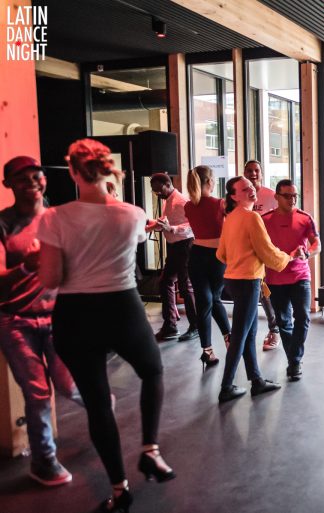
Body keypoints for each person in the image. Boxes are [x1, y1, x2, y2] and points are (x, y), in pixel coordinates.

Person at [37, 139, 174, 513]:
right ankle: (150, 449)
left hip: (76, 314)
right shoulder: (131, 213)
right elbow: (139, 239)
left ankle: (120, 490)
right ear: (108, 170)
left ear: (73, 171)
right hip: (123, 307)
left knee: (98, 403)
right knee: (152, 371)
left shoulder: (54, 218)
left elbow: (51, 278)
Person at [0, 156, 79, 486]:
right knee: (37, 393)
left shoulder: (59, 219)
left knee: (69, 386)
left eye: (37, 175)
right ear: (7, 184)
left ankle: (99, 401)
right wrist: (27, 265)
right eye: (22, 177)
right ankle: (44, 462)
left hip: (58, 316)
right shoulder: (3, 224)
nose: (32, 181)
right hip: (15, 321)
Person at [216, 176, 301, 403]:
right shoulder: (252, 217)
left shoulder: (231, 218)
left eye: (252, 187)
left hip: (234, 280)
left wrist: (240, 256)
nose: (251, 191)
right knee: (240, 336)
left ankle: (256, 381)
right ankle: (226, 386)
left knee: (249, 332)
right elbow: (267, 252)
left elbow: (221, 254)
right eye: (245, 189)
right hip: (248, 281)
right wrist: (289, 256)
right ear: (234, 196)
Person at [261, 179, 320, 381]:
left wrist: (308, 254)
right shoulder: (265, 219)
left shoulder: (305, 218)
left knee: (303, 317)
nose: (292, 199)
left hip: (300, 276)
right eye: (287, 195)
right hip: (275, 278)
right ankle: (294, 361)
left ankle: (294, 359)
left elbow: (317, 245)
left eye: (295, 195)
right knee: (284, 321)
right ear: (277, 197)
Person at [184, 165, 231, 371]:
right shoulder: (220, 203)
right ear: (210, 182)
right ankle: (230, 340)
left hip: (196, 255)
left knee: (204, 302)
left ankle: (208, 350)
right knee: (215, 299)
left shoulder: (188, 206)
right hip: (217, 257)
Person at [149, 172, 198, 342]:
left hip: (184, 246)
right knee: (166, 282)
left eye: (158, 189)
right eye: (154, 191)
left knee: (185, 286)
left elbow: (192, 226)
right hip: (175, 246)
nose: (157, 194)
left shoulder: (181, 201)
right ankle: (170, 325)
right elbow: (167, 221)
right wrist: (153, 225)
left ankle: (195, 326)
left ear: (167, 184)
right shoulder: (169, 200)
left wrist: (172, 229)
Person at [243, 160, 281, 351]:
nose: (253, 174)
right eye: (249, 171)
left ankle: (277, 329)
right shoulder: (241, 196)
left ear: (262, 173)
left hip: (269, 250)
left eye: (256, 170)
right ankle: (274, 329)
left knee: (271, 292)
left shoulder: (270, 195)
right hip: (248, 253)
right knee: (261, 293)